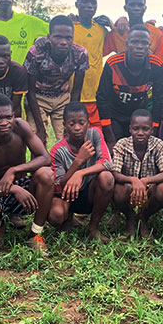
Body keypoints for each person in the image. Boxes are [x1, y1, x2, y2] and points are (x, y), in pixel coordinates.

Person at [0, 94, 53, 253]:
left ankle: (35, 234)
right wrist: (13, 189)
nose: (4, 123)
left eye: (8, 117)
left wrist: (14, 170)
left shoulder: (21, 127)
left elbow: (45, 158)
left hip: (22, 184)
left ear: (14, 115)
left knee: (46, 174)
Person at [48, 102, 114, 243]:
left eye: (81, 123)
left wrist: (80, 173)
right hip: (66, 196)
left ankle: (93, 228)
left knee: (107, 177)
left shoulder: (94, 134)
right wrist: (77, 162)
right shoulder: (57, 150)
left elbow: (107, 163)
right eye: (72, 124)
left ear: (88, 123)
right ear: (64, 124)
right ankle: (68, 218)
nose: (77, 128)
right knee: (56, 215)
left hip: (89, 192)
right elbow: (59, 187)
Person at [96, 24, 163, 150]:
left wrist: (154, 128)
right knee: (116, 149)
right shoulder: (113, 64)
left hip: (139, 115)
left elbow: (159, 99)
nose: (139, 47)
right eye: (135, 42)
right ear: (127, 44)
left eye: (144, 43)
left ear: (149, 46)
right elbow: (102, 97)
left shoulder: (156, 65)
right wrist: (110, 138)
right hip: (115, 115)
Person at [24, 15, 89, 145]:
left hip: (62, 97)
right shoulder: (36, 53)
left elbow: (76, 90)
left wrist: (72, 116)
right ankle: (38, 165)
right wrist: (41, 130)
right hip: (38, 98)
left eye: (68, 38)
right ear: (49, 37)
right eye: (58, 37)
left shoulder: (80, 54)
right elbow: (29, 91)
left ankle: (67, 165)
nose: (63, 42)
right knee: (38, 140)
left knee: (68, 139)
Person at [112, 109, 163, 238]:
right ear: (130, 129)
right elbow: (115, 173)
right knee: (118, 190)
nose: (140, 133)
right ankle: (130, 217)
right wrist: (133, 180)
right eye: (136, 128)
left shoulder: (158, 144)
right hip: (128, 189)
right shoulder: (121, 144)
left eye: (145, 129)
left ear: (152, 130)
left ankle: (144, 217)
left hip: (149, 190)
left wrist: (145, 181)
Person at [72, 0, 108, 128]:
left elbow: (121, 42)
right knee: (76, 134)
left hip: (97, 92)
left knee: (98, 135)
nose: (89, 5)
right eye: (85, 2)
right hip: (74, 92)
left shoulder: (101, 29)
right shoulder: (70, 28)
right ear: (76, 4)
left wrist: (111, 23)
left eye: (93, 2)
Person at [103, 0, 163, 66]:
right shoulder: (117, 32)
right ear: (125, 8)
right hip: (123, 76)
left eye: (140, 5)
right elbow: (96, 53)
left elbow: (161, 63)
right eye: (132, 5)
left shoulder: (156, 33)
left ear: (145, 8)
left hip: (147, 76)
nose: (136, 8)